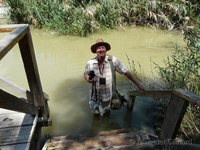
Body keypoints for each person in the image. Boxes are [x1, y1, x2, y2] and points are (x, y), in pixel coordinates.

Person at [84, 39, 145, 116]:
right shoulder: (90, 63)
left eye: (103, 47)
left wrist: (138, 84)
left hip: (107, 96)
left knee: (106, 114)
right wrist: (88, 79)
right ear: (96, 50)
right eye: (98, 48)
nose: (101, 50)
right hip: (93, 96)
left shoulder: (113, 60)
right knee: (95, 114)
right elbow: (86, 74)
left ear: (106, 49)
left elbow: (126, 72)